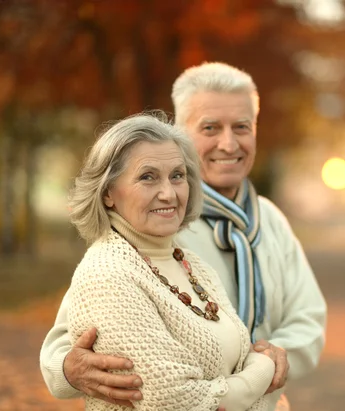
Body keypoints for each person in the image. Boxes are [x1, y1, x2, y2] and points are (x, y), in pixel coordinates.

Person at [40, 63, 327, 410]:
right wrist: (67, 369)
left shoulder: (270, 220)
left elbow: (307, 317)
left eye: (242, 127)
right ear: (180, 131)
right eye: (210, 127)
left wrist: (271, 362)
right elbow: (73, 333)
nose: (228, 143)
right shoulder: (150, 226)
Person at [60, 111, 279, 410]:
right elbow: (174, 401)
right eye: (147, 177)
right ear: (109, 192)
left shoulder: (191, 264)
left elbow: (237, 360)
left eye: (177, 176)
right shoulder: (108, 273)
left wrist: (248, 374)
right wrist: (262, 372)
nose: (168, 193)